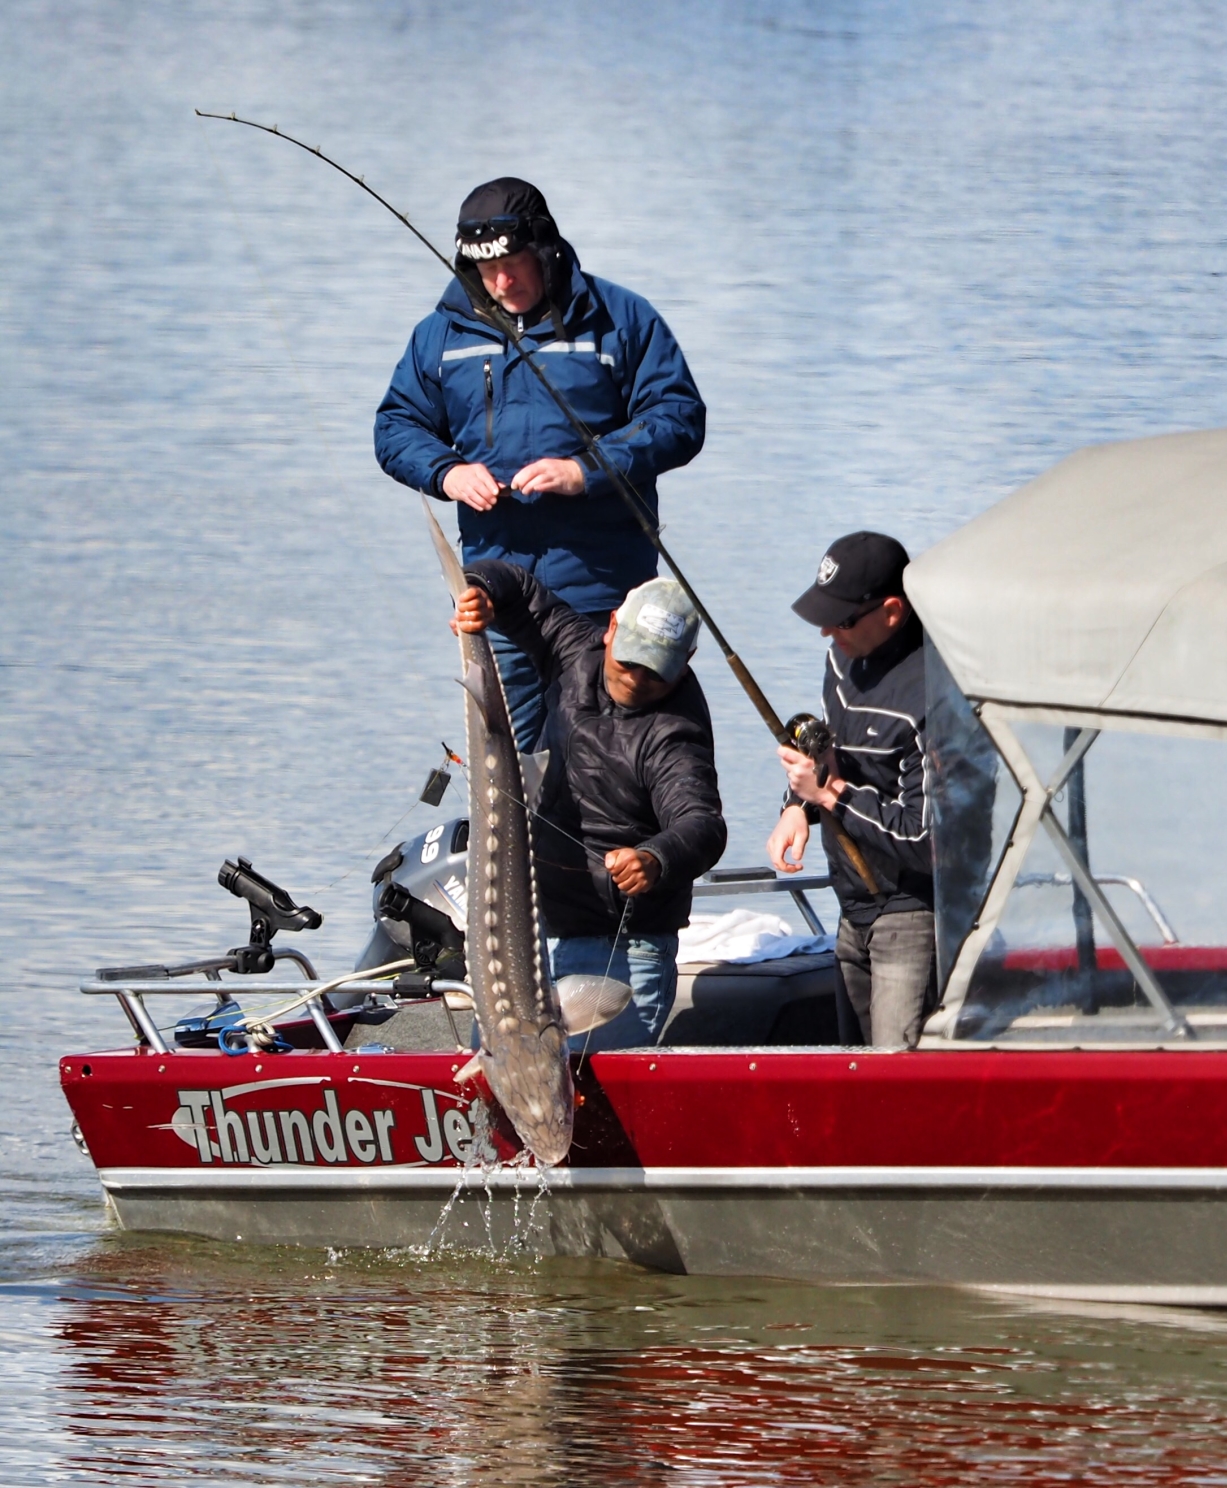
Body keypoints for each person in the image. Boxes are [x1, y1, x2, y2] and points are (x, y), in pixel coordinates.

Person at [379, 177, 707, 753]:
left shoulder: (621, 319)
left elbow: (679, 418)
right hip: (497, 596)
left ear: (546, 248)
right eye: (487, 268)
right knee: (510, 764)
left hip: (602, 597)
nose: (503, 281)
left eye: (515, 262)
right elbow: (395, 427)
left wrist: (587, 471)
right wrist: (448, 472)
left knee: (599, 762)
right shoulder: (440, 336)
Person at [452, 562, 726, 1049]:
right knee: (498, 1071)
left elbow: (702, 822)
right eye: (629, 660)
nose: (637, 678)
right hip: (534, 931)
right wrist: (483, 591)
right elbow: (522, 590)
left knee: (583, 1103)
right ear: (613, 627)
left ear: (687, 660)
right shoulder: (574, 649)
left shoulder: (674, 734)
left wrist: (656, 857)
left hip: (620, 948)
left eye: (655, 670)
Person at [769, 532, 937, 1050]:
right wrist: (798, 806)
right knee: (852, 1074)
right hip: (850, 908)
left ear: (891, 612)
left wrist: (832, 797)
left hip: (911, 918)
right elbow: (829, 753)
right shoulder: (841, 661)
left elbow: (928, 839)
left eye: (841, 620)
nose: (825, 630)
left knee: (896, 1087)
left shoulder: (933, 694)